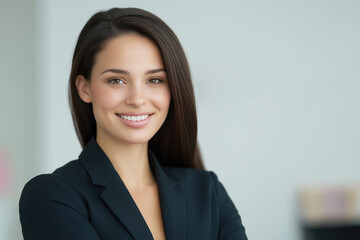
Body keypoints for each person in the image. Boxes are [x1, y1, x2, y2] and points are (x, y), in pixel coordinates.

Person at [19, 7, 248, 240]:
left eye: (155, 80)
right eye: (116, 80)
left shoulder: (208, 193)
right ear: (84, 88)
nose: (137, 99)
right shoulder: (53, 196)